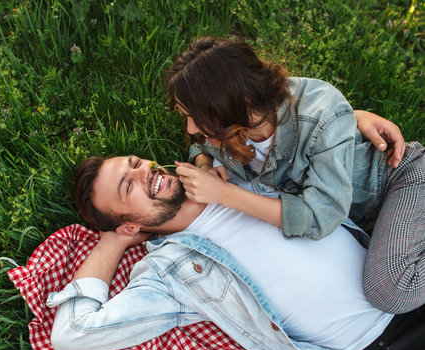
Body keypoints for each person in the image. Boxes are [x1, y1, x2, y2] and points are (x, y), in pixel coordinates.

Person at [48, 155, 425, 350]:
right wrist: (110, 245)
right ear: (127, 226)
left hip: (404, 273)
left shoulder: (229, 168)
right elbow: (72, 336)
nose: (146, 171)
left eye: (135, 163)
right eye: (127, 186)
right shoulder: (169, 273)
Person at [167, 36, 425, 314]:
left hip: (399, 182)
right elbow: (199, 144)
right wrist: (205, 164)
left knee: (390, 292)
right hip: (363, 221)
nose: (192, 127)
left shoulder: (321, 114)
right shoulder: (234, 128)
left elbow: (319, 216)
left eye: (195, 116)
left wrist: (226, 195)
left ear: (235, 104)